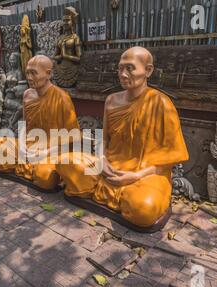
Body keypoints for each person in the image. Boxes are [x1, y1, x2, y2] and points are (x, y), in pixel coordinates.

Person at [56, 47, 189, 229]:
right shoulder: (111, 100)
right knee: (65, 161)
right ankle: (111, 193)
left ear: (148, 70)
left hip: (145, 175)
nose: (123, 74)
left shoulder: (161, 104)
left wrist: (135, 175)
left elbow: (169, 160)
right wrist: (102, 160)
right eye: (120, 68)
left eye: (130, 68)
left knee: (144, 208)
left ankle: (110, 193)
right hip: (108, 169)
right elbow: (104, 139)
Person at [0, 55, 80, 191]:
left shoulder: (62, 98)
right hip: (27, 148)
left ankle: (30, 168)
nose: (29, 77)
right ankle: (22, 164)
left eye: (33, 73)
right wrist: (23, 147)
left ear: (48, 74)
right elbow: (24, 123)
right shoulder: (27, 95)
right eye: (27, 72)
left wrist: (45, 152)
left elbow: (73, 137)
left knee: (45, 177)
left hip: (52, 152)